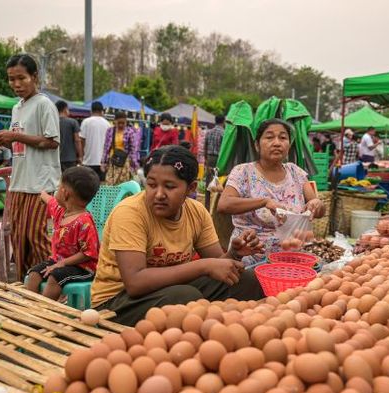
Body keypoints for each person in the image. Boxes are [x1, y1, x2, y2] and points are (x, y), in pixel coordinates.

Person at [91, 145, 264, 326]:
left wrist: (234, 254)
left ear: (191, 188)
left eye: (170, 186)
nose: (158, 194)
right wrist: (202, 266)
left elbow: (218, 265)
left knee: (246, 280)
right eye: (151, 185)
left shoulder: (196, 211)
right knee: (186, 297)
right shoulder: (130, 213)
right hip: (116, 302)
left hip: (168, 290)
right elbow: (135, 283)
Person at [0, 54, 61, 277]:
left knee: (37, 237)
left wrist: (16, 136)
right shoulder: (17, 108)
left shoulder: (44, 105)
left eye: (21, 78)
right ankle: (27, 284)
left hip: (41, 183)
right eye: (11, 79)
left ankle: (52, 286)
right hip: (19, 182)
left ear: (34, 76)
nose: (16, 84)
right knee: (18, 237)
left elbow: (52, 141)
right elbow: (19, 146)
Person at [217, 119, 326, 265]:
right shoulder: (243, 172)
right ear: (257, 145)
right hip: (250, 254)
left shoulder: (296, 173)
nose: (276, 143)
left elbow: (317, 209)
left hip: (292, 257)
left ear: (289, 144)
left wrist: (316, 204)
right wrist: (264, 202)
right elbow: (224, 205)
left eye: (283, 138)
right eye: (269, 137)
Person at [26, 166, 100, 301]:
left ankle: (46, 312)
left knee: (55, 277)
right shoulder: (61, 211)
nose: (57, 190)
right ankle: (29, 308)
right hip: (58, 261)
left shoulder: (84, 222)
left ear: (65, 193)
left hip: (83, 268)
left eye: (59, 186)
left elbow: (88, 253)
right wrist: (43, 195)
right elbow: (51, 201)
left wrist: (63, 263)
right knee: (34, 274)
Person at [101, 111, 140, 186]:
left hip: (125, 163)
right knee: (110, 183)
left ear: (126, 122)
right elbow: (106, 148)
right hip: (112, 161)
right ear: (115, 121)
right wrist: (103, 163)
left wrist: (135, 165)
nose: (121, 125)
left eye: (123, 123)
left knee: (122, 184)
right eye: (119, 122)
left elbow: (133, 150)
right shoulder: (110, 131)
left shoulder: (130, 132)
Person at [79, 101, 109, 181]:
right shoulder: (107, 124)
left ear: (91, 110)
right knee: (101, 187)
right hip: (102, 162)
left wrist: (81, 157)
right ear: (102, 111)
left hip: (88, 161)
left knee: (88, 186)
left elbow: (81, 141)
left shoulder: (86, 122)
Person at [55, 100, 82, 171]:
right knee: (70, 179)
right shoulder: (73, 122)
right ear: (65, 109)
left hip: (55, 158)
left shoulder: (53, 122)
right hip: (70, 159)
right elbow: (77, 140)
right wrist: (80, 156)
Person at [204, 114, 225, 185]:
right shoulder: (224, 133)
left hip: (210, 157)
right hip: (219, 158)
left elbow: (205, 146)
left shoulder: (209, 132)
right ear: (223, 121)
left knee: (208, 177)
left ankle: (207, 195)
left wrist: (206, 158)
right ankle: (215, 195)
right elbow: (224, 147)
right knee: (217, 177)